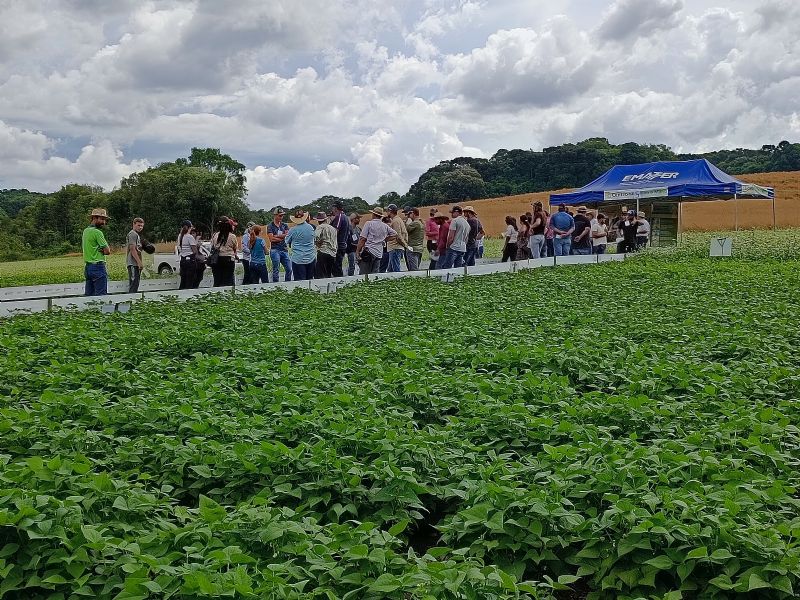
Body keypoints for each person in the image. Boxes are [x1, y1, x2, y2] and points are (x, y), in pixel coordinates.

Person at [356, 207, 398, 274]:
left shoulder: (368, 224)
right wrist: (385, 239)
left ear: (373, 215)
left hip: (369, 251)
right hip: (379, 253)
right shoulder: (385, 226)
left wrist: (357, 251)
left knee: (364, 274)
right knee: (375, 274)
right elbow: (395, 234)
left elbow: (362, 239)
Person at [82, 208, 111, 296]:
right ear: (94, 218)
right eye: (102, 219)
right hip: (98, 266)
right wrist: (103, 250)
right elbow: (107, 251)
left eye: (104, 220)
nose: (104, 222)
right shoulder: (97, 232)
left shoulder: (85, 231)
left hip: (88, 267)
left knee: (89, 296)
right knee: (101, 296)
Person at [286, 210, 316, 280]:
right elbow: (314, 239)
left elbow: (287, 241)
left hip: (298, 258)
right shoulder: (311, 228)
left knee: (300, 283)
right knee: (310, 280)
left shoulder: (293, 230)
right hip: (311, 257)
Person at [210, 216, 238, 287]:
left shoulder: (215, 235)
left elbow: (212, 246)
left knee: (217, 281)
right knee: (228, 281)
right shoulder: (232, 236)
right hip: (228, 260)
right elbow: (235, 248)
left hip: (217, 260)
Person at [267, 209, 292, 282]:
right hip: (275, 250)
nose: (282, 217)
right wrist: (282, 237)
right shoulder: (270, 226)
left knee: (289, 269)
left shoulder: (285, 225)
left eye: (282, 215)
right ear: (275, 215)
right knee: (276, 269)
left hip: (284, 250)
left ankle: (287, 284)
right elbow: (271, 239)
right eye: (280, 215)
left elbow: (287, 236)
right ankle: (276, 286)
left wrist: (277, 236)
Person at [329, 199, 350, 276]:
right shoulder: (345, 217)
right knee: (338, 265)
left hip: (338, 245)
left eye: (333, 207)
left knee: (336, 267)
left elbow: (335, 231)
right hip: (343, 245)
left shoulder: (339, 217)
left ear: (335, 208)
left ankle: (338, 282)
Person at [385, 204, 409, 272]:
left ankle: (398, 281)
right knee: (390, 270)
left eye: (387, 211)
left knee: (396, 269)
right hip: (395, 247)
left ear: (390, 211)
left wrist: (404, 245)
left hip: (395, 247)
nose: (386, 212)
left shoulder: (395, 221)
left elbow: (398, 236)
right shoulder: (398, 220)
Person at [314, 212, 338, 278]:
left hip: (323, 252)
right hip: (332, 254)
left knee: (320, 274)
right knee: (328, 274)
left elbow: (315, 237)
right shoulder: (333, 229)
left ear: (318, 221)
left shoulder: (320, 227)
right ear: (326, 219)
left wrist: (318, 243)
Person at [178, 219, 200, 289]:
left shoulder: (180, 236)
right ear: (189, 228)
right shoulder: (189, 237)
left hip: (183, 259)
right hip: (190, 261)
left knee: (183, 280)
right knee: (190, 281)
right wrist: (197, 241)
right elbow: (194, 251)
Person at [126, 217, 144, 293]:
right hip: (133, 263)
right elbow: (132, 249)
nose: (140, 227)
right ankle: (131, 300)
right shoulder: (133, 234)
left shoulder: (136, 234)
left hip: (135, 263)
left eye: (142, 226)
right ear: (134, 224)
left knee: (135, 283)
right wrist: (139, 262)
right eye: (138, 225)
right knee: (134, 284)